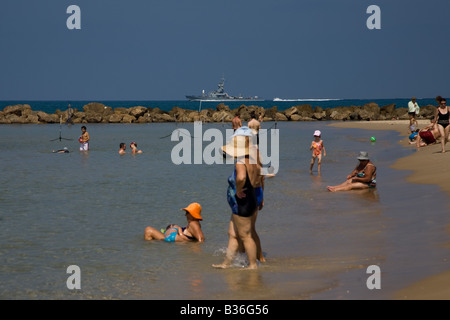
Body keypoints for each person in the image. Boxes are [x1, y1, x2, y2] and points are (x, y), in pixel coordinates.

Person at [213, 127, 264, 269]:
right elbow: (260, 174)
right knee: (232, 234)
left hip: (243, 202)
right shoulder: (252, 159)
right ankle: (226, 263)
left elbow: (241, 177)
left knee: (246, 236)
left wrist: (239, 190)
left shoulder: (240, 162)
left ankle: (253, 265)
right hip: (251, 198)